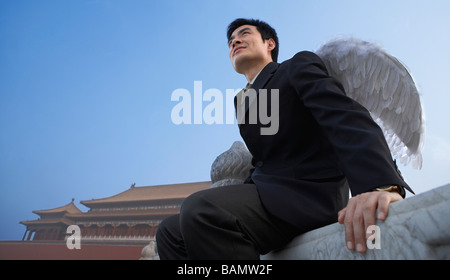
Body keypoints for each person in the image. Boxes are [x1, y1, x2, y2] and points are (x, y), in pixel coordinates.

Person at [156, 18, 413, 259]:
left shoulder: (296, 67)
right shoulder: (243, 101)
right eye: (231, 40)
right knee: (169, 232)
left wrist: (380, 184)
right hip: (266, 197)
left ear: (270, 44)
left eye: (244, 34)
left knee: (201, 208)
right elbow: (265, 160)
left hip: (308, 197)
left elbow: (344, 116)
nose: (235, 41)